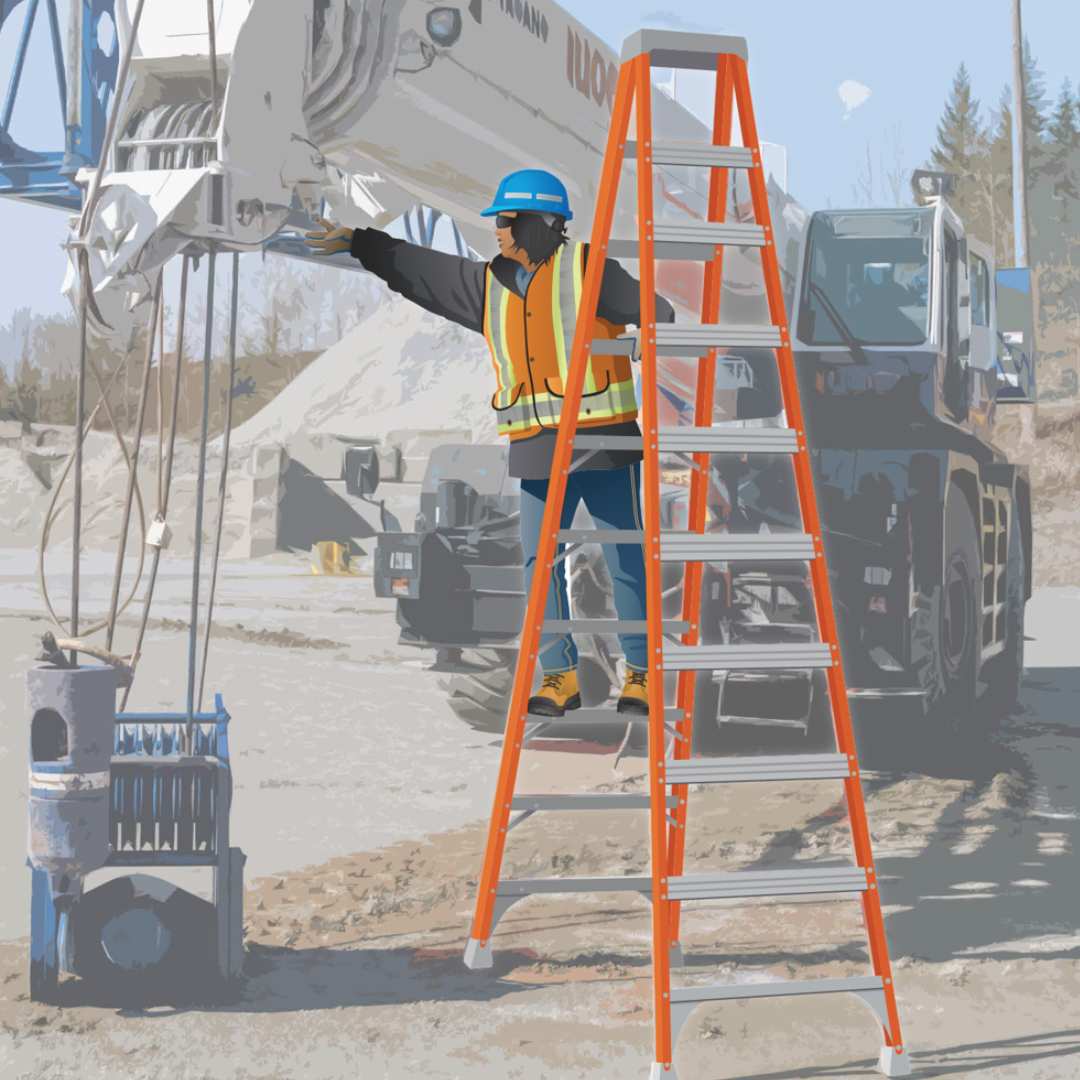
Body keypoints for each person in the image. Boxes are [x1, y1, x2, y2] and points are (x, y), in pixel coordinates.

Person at [305, 168, 675, 718]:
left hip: (603, 439)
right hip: (537, 445)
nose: (497, 232)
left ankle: (640, 675)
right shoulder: (489, 287)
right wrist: (363, 243)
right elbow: (420, 271)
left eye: (507, 222)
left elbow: (660, 316)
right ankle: (559, 676)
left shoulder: (589, 270)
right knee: (536, 563)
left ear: (542, 224)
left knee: (624, 557)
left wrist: (634, 345)